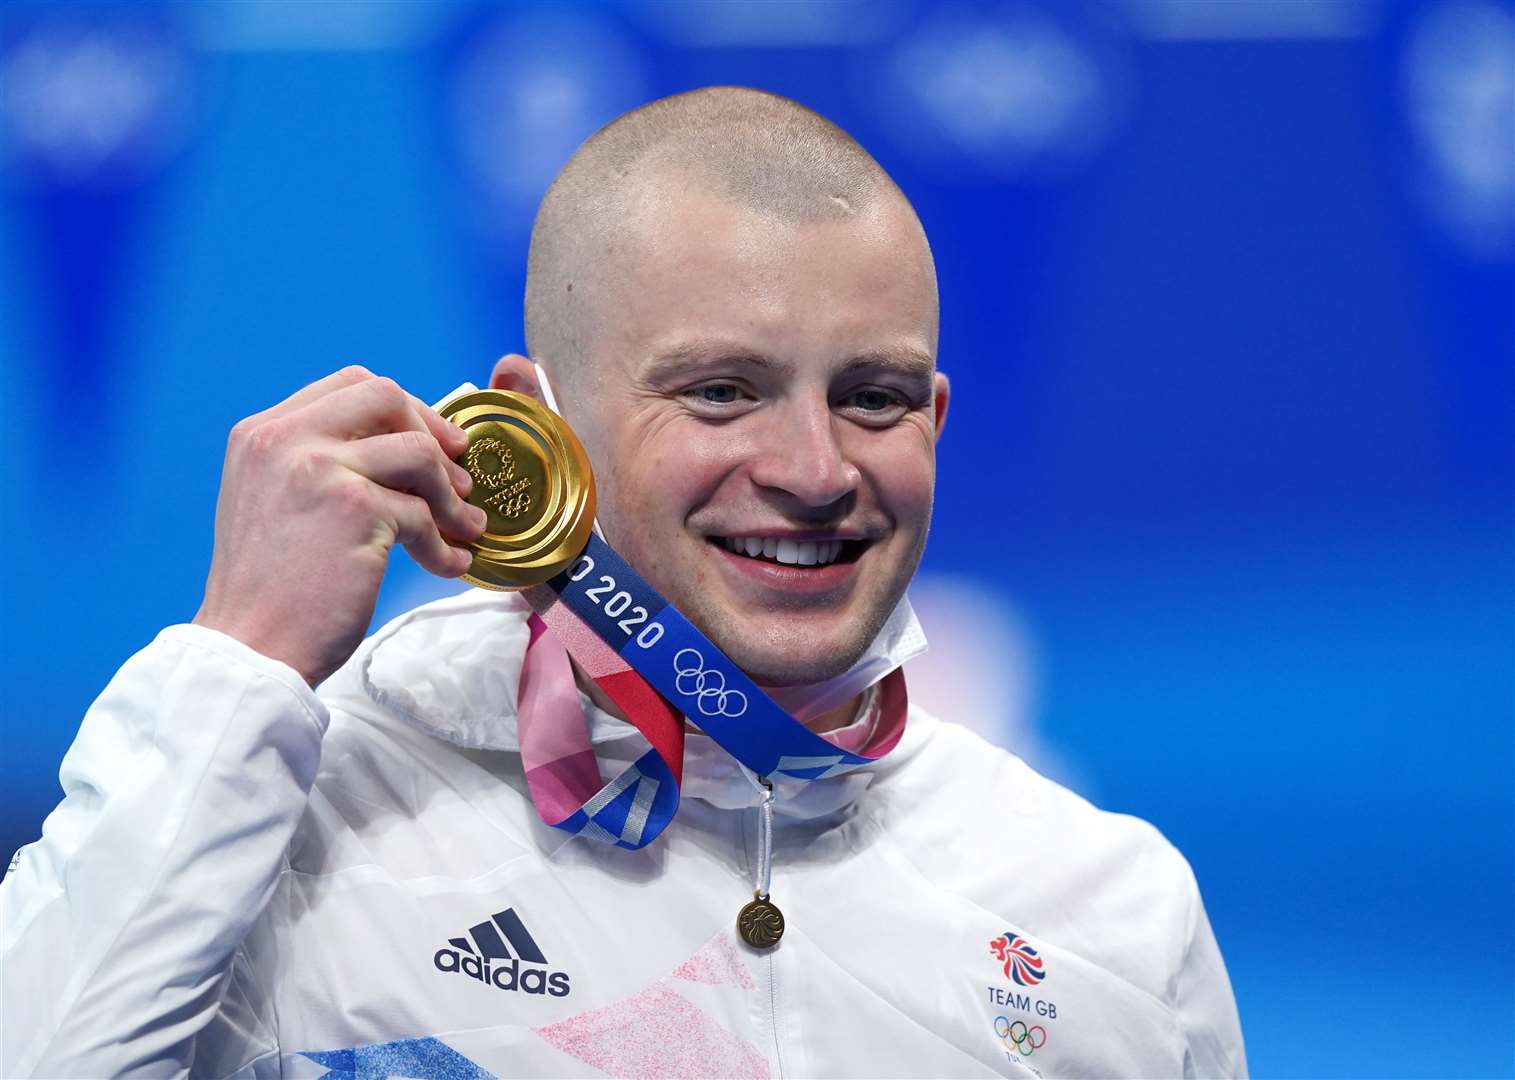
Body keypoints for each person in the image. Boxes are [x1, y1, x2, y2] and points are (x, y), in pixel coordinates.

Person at [1, 87, 1246, 1078]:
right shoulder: (298, 826)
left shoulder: (1108, 909)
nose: (814, 471)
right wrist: (240, 660)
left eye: (872, 398)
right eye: (720, 391)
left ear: (937, 418)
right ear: (533, 427)